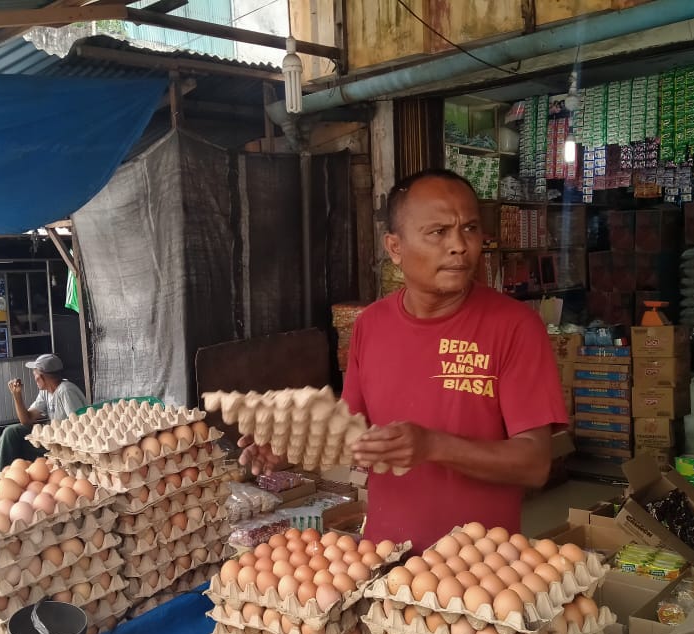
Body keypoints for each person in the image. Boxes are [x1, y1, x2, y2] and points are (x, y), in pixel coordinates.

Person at [240, 168, 568, 551]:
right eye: (438, 232)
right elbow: (352, 433)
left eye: (470, 229)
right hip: (387, 560)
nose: (459, 246)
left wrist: (433, 446)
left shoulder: (515, 326)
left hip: (484, 571)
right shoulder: (371, 326)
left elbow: (535, 463)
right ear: (394, 247)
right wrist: (291, 447)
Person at [0, 353, 88, 471]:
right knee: (12, 433)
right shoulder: (46, 392)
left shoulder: (66, 391)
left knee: (19, 442)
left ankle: (19, 475)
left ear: (41, 377)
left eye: (35, 374)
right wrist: (17, 395)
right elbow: (26, 420)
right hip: (54, 440)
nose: (34, 378)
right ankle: (4, 475)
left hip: (66, 446)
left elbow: (79, 428)